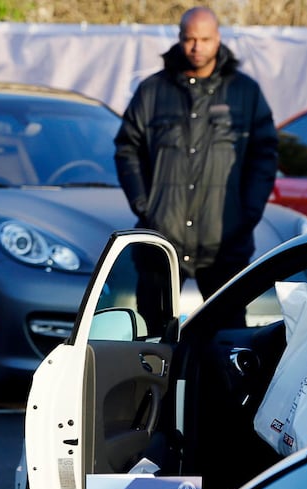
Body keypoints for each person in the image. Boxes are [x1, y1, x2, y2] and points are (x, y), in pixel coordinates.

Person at [114, 6, 278, 318]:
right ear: (179, 38)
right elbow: (127, 149)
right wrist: (144, 206)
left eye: (204, 39)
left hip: (224, 243)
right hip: (164, 240)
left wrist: (248, 214)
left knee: (224, 340)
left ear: (218, 39)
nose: (196, 47)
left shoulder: (244, 92)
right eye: (190, 39)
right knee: (154, 339)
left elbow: (264, 155)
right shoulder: (153, 91)